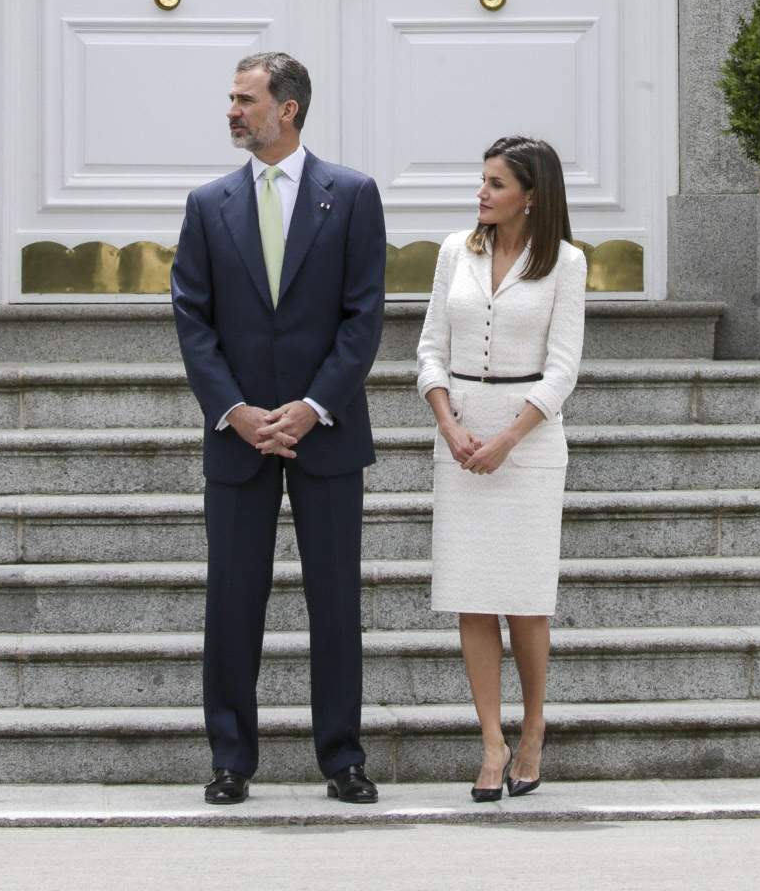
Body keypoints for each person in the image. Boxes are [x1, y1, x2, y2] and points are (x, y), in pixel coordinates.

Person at [171, 50, 387, 806]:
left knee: (335, 601)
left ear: (286, 108)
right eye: (231, 99)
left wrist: (312, 405)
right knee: (232, 599)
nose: (232, 111)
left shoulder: (353, 196)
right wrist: (234, 410)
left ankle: (343, 760)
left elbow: (365, 318)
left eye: (244, 99)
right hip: (238, 436)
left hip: (324, 432)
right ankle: (231, 759)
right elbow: (192, 320)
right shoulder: (207, 204)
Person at [416, 136, 586, 801]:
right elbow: (431, 347)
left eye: (496, 183)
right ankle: (491, 740)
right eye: (481, 179)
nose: (481, 193)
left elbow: (565, 366)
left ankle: (534, 728)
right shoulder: (455, 250)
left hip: (531, 444)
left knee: (525, 602)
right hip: (459, 438)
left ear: (531, 196)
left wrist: (510, 437)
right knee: (472, 597)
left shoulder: (566, 263)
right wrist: (449, 424)